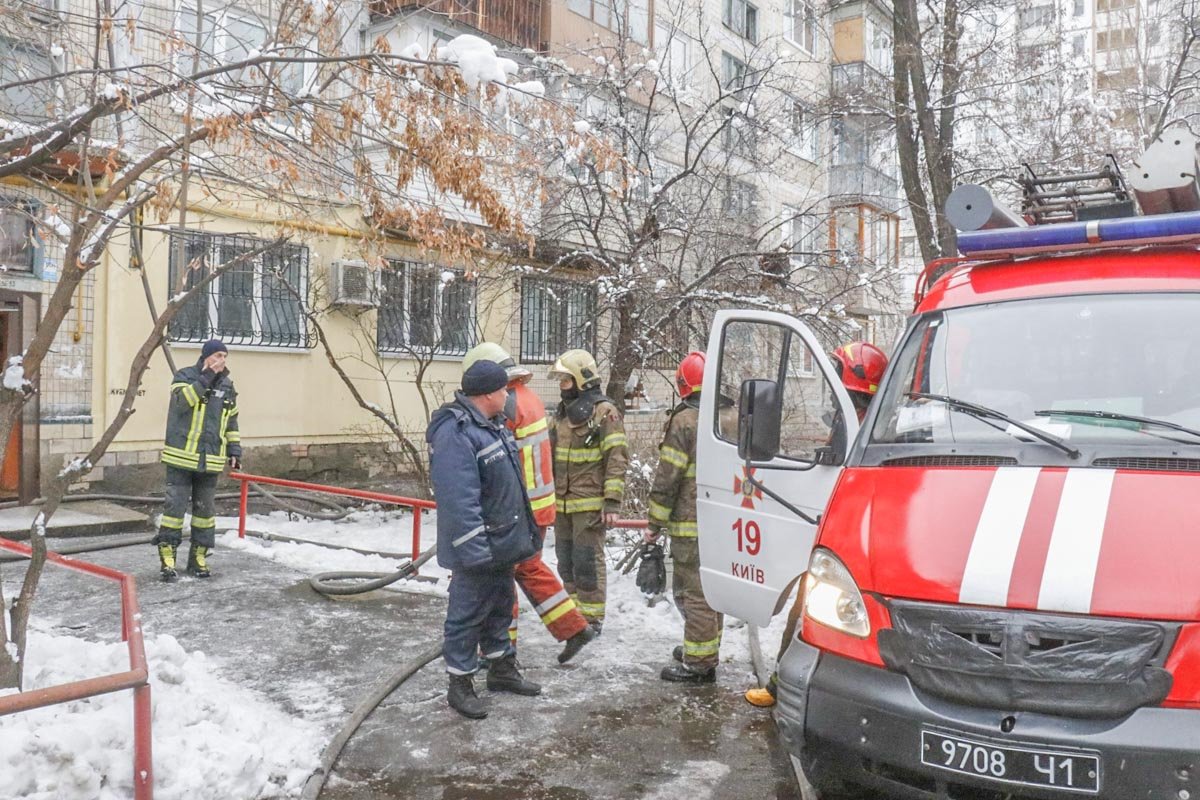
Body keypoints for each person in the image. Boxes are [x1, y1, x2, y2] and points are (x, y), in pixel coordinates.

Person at [744, 341, 888, 707]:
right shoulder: (863, 421)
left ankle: (784, 689)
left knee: (804, 616)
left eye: (838, 374)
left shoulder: (860, 426)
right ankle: (789, 686)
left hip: (846, 541)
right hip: (844, 537)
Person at [461, 343, 596, 665]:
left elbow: (493, 458)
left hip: (518, 508)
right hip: (537, 505)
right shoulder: (528, 398)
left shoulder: (505, 404)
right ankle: (571, 628)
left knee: (503, 574)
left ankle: (501, 652)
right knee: (525, 568)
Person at [427, 359, 543, 720]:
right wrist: (474, 550)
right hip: (477, 549)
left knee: (498, 608)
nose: (509, 395)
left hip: (501, 545)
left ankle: (502, 670)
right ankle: (459, 685)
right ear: (488, 393)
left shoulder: (491, 426)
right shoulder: (457, 433)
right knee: (466, 616)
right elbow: (459, 500)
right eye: (504, 390)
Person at [648, 352, 738, 684]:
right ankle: (703, 647)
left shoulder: (685, 421)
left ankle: (699, 663)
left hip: (691, 521)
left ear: (684, 384)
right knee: (712, 590)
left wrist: (654, 523)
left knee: (693, 592)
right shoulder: (732, 416)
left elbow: (667, 476)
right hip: (724, 521)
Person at [549, 349, 628, 635]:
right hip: (562, 504)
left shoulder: (604, 412)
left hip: (590, 504)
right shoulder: (562, 413)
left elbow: (617, 458)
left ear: (582, 379)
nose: (561, 386)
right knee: (565, 561)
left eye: (566, 381)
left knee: (587, 563)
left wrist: (611, 502)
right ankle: (573, 619)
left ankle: (592, 620)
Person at [154, 338, 242, 581]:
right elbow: (182, 403)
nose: (221, 360)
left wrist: (234, 451)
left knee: (205, 513)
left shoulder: (227, 386)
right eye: (217, 356)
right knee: (174, 510)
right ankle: (168, 557)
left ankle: (198, 558)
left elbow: (231, 422)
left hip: (210, 460)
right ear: (206, 357)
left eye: (224, 356)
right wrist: (206, 379)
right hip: (181, 458)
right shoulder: (184, 376)